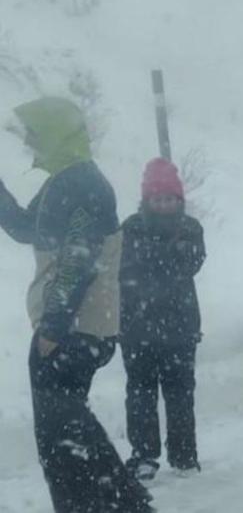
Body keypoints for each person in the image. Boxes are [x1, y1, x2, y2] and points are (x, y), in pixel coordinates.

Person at [0, 97, 154, 512]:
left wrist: (53, 327)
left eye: (35, 133)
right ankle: (122, 503)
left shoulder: (82, 184)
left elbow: (79, 258)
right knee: (71, 432)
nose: (30, 142)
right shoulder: (67, 180)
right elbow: (23, 228)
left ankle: (103, 505)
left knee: (62, 442)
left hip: (71, 331)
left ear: (56, 134)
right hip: (75, 329)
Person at [120, 157, 207, 480]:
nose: (164, 205)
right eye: (158, 199)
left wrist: (157, 252)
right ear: (147, 200)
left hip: (180, 330)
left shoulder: (191, 229)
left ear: (179, 200)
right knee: (140, 395)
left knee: (181, 393)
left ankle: (184, 456)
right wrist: (166, 251)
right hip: (136, 328)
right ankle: (144, 456)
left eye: (170, 199)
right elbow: (125, 268)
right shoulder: (130, 227)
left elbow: (192, 263)